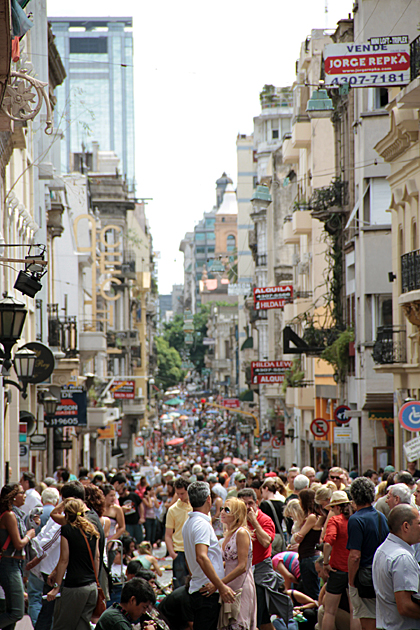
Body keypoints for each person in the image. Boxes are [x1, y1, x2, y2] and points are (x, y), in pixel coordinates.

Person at [182, 481, 235, 630]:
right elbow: (201, 557)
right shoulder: (200, 523)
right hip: (207, 593)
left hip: (202, 588)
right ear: (208, 500)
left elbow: (191, 557)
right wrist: (221, 586)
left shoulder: (192, 522)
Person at [202, 497, 257, 630]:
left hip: (241, 585)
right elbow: (229, 562)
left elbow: (242, 566)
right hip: (229, 584)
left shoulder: (242, 533)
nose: (222, 512)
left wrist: (218, 584)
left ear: (237, 514)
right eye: (222, 509)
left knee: (238, 624)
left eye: (227, 510)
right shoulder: (228, 534)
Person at [237, 488, 288, 630]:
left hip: (260, 572)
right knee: (264, 619)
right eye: (243, 504)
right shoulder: (238, 520)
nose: (247, 507)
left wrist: (254, 521)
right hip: (243, 570)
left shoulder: (264, 519)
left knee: (256, 617)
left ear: (257, 503)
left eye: (250, 503)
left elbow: (266, 542)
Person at [47, 498, 100, 630]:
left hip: (75, 586)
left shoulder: (67, 530)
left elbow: (64, 559)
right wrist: (95, 579)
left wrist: (57, 586)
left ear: (66, 514)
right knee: (82, 626)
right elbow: (97, 557)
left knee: (62, 626)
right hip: (92, 586)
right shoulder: (92, 529)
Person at [347, 476, 389, 630]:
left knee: (368, 622)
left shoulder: (356, 520)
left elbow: (355, 556)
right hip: (383, 575)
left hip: (365, 578)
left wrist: (351, 581)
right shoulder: (381, 516)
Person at [373, 504, 420, 630]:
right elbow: (405, 607)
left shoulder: (382, 549)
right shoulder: (402, 557)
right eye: (419, 523)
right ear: (406, 526)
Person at [0, 483, 36, 630]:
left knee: (11, 610)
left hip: (14, 565)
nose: (25, 495)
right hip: (9, 565)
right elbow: (19, 544)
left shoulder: (15, 515)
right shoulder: (9, 516)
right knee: (16, 612)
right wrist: (29, 535)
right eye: (22, 493)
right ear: (13, 497)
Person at [321, 491, 354, 630]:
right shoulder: (355, 519)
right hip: (353, 568)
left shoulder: (335, 520)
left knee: (329, 611)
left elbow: (328, 543)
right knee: (355, 611)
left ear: (337, 507)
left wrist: (325, 563)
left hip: (337, 569)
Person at [294, 488, 324, 600]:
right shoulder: (315, 517)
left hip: (308, 557)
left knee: (311, 592)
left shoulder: (311, 517)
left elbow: (299, 537)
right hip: (309, 556)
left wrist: (297, 533)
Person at [165, 477, 191, 589]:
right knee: (179, 586)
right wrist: (172, 553)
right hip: (179, 552)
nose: (180, 497)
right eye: (177, 494)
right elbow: (168, 535)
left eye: (182, 493)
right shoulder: (173, 510)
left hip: (194, 550)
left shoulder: (198, 507)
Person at [260, 479, 285, 554]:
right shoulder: (281, 503)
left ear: (266, 488)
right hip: (280, 536)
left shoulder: (264, 505)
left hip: (269, 536)